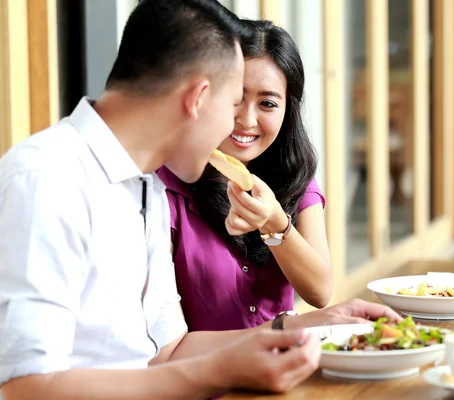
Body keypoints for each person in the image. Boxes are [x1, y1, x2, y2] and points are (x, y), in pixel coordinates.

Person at [0, 1, 401, 399]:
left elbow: (169, 352)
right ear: (197, 98)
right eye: (231, 105)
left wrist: (307, 325)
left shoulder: (146, 189)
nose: (238, 125)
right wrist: (221, 370)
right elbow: (26, 388)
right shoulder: (46, 179)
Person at [157, 19, 332, 333]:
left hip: (280, 367)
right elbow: (162, 341)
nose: (247, 120)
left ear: (287, 111)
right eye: (235, 98)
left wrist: (275, 224)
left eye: (267, 103)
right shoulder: (165, 187)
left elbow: (320, 292)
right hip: (200, 375)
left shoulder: (295, 178)